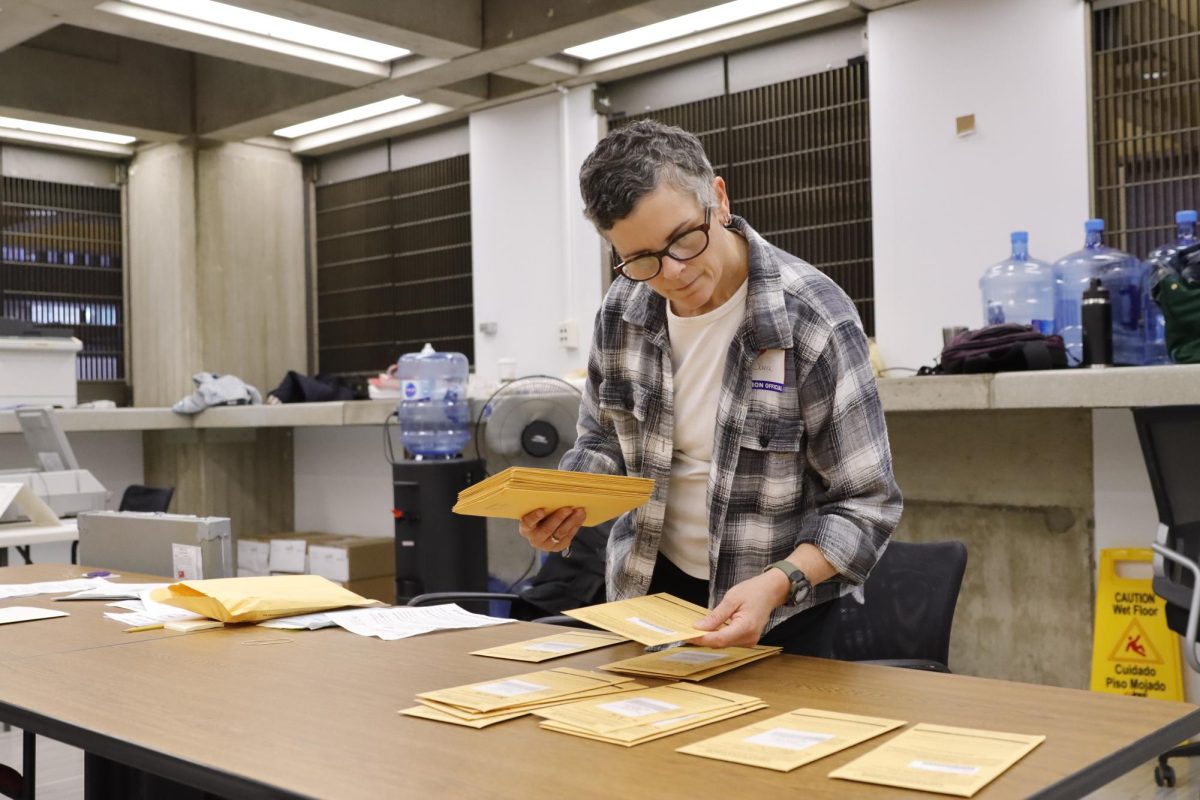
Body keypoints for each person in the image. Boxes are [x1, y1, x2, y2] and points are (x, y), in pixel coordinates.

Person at [519, 119, 902, 654]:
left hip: (779, 609)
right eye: (642, 259)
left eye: (683, 240)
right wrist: (570, 499)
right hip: (647, 596)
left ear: (718, 199)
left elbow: (866, 503)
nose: (672, 272)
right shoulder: (623, 310)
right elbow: (603, 440)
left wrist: (779, 583)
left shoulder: (812, 319)